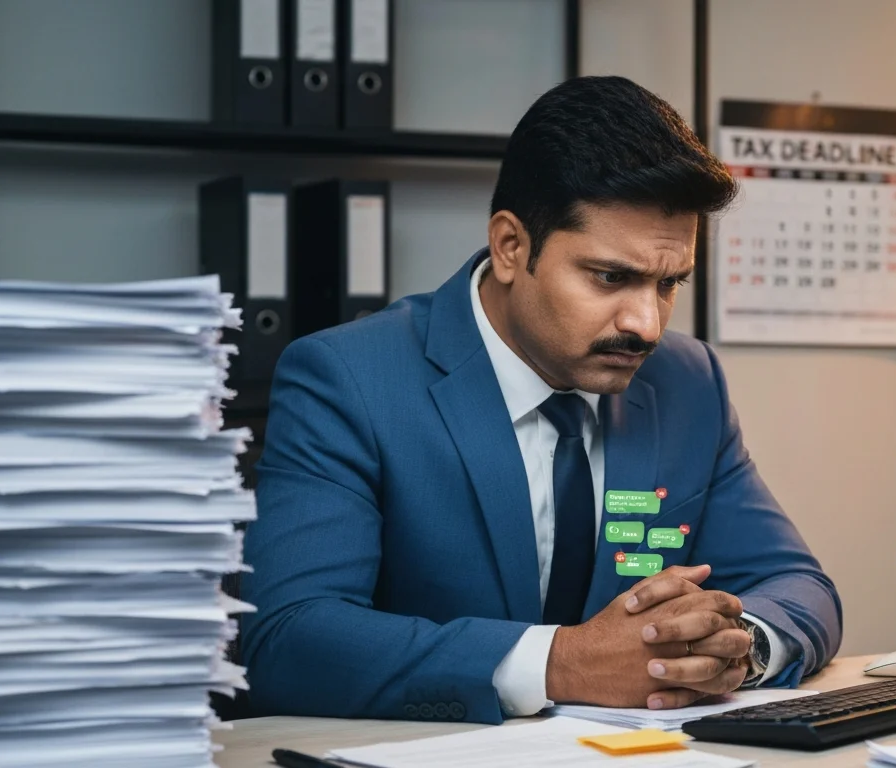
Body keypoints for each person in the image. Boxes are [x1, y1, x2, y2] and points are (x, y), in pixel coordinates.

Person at [239, 75, 842, 725]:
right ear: (510, 247)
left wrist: (734, 648)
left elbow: (803, 588)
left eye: (670, 283)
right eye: (612, 277)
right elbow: (289, 639)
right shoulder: (348, 380)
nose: (646, 322)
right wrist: (564, 663)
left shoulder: (687, 382)